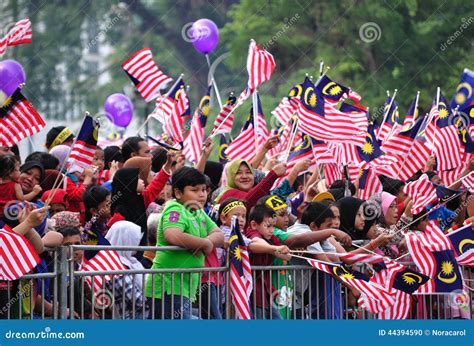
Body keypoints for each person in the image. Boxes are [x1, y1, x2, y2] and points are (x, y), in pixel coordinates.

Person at [145, 167, 224, 319]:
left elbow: (219, 235)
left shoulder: (198, 211)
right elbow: (173, 235)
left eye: (204, 190)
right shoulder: (175, 208)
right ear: (178, 193)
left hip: (185, 285)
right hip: (168, 285)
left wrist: (205, 242)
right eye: (194, 190)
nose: (202, 194)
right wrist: (204, 244)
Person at [108, 151, 175, 248]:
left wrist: (168, 164)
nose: (142, 181)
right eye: (138, 178)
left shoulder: (141, 199)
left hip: (141, 250)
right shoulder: (119, 212)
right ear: (129, 183)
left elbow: (156, 184)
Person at [244, 204, 291, 319]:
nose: (271, 230)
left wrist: (284, 251)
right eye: (268, 226)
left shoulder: (271, 236)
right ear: (254, 225)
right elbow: (255, 243)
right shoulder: (252, 233)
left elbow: (287, 257)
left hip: (266, 290)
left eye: (273, 226)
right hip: (253, 291)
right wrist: (275, 249)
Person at [105, 221, 149, 319]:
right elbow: (139, 301)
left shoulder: (133, 262)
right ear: (126, 240)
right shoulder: (116, 267)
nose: (137, 244)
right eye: (135, 240)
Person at [215, 159, 286, 209]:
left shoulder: (253, 192)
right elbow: (248, 200)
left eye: (248, 172)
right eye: (238, 173)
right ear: (231, 177)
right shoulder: (228, 193)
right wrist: (273, 175)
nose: (244, 176)